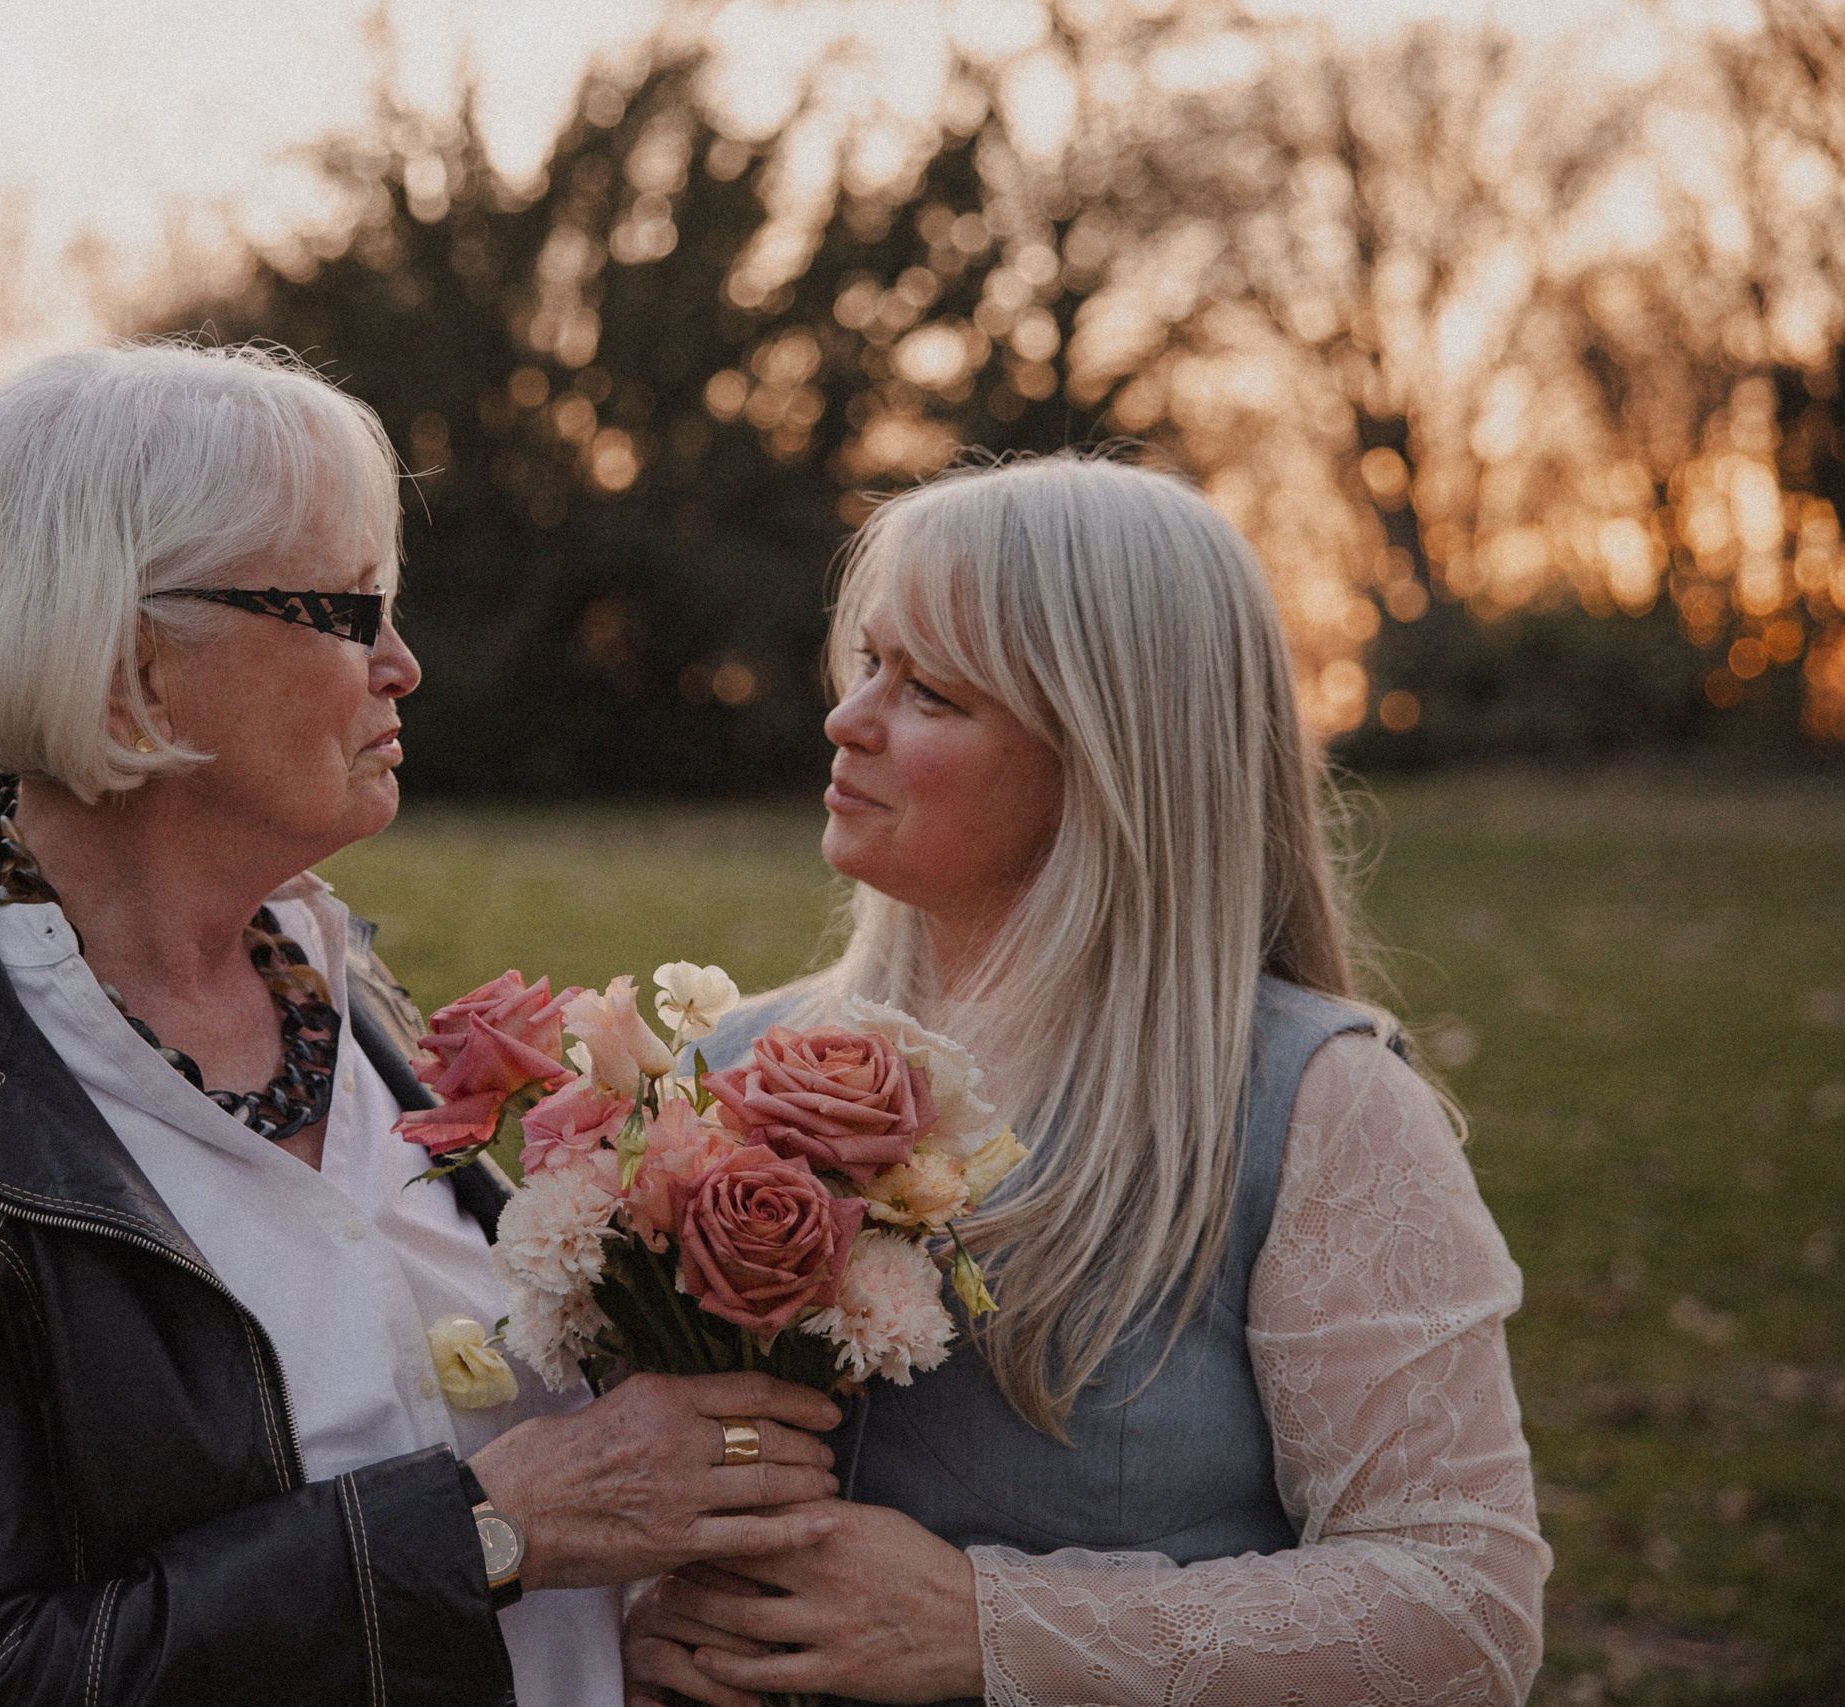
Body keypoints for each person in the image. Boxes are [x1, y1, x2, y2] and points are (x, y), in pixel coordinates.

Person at [0, 342, 845, 1707]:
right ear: (134, 660)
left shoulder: (337, 985)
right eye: (351, 608)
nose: (402, 664)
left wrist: (615, 1621)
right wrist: (484, 1530)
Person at [622, 455, 1549, 1706]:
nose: (849, 720)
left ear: (1110, 758)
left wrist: (989, 1624)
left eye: (932, 692)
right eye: (866, 665)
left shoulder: (1309, 1105)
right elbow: (617, 1472)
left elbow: (1461, 1613)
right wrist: (633, 1612)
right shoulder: (722, 1072)